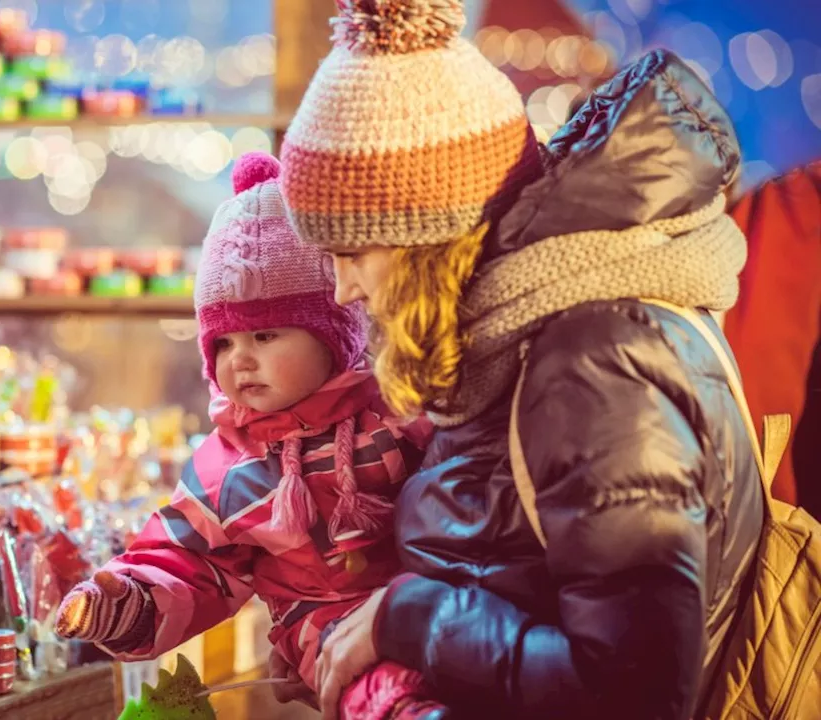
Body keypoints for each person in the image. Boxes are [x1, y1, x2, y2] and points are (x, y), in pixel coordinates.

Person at [275, 2, 764, 719]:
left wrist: (405, 620)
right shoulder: (511, 335)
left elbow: (633, 692)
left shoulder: (596, 366)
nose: (345, 288)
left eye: (353, 253)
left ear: (432, 240)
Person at [53, 152, 442, 718]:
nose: (241, 361)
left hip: (421, 609)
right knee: (386, 698)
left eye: (264, 336)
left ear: (333, 335)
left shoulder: (398, 412)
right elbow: (188, 560)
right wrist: (123, 601)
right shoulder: (227, 468)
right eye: (225, 345)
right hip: (323, 635)